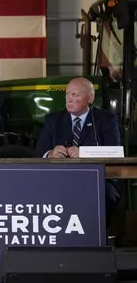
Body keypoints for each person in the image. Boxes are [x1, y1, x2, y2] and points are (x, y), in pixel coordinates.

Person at [35, 77, 121, 227]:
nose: (69, 99)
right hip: (60, 180)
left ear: (90, 98)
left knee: (104, 193)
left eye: (75, 95)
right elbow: (39, 152)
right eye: (68, 94)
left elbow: (116, 152)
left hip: (98, 180)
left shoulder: (105, 120)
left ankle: (95, 236)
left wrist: (85, 153)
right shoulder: (53, 120)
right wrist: (50, 154)